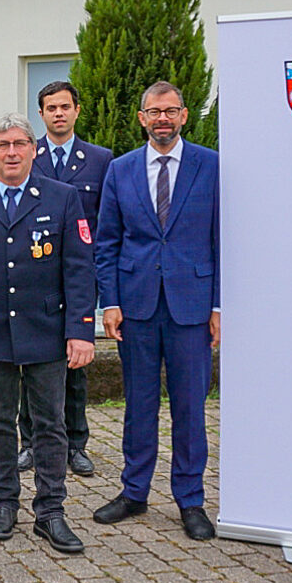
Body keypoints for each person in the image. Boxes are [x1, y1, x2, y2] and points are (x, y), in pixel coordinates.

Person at [0, 112, 95, 554]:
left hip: (46, 329)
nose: (11, 152)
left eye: (20, 144)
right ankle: (4, 503)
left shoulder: (62, 197)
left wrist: (81, 330)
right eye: (3, 145)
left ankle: (51, 512)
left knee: (50, 424)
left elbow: (79, 268)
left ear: (33, 150)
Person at [93, 81, 220, 541]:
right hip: (137, 306)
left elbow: (221, 239)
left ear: (184, 115)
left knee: (190, 408)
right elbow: (106, 242)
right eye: (154, 111)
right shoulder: (121, 169)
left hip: (192, 306)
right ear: (142, 117)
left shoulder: (211, 165)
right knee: (139, 405)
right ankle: (134, 491)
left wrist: (219, 304)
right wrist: (110, 301)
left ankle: (191, 499)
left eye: (170, 111)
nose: (162, 118)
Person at [16, 82, 112, 476]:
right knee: (29, 361)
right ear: (41, 114)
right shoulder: (25, 155)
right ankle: (30, 443)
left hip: (76, 279)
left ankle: (76, 443)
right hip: (32, 280)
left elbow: (106, 224)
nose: (58, 113)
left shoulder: (100, 160)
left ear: (77, 110)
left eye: (65, 107)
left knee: (77, 363)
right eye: (50, 107)